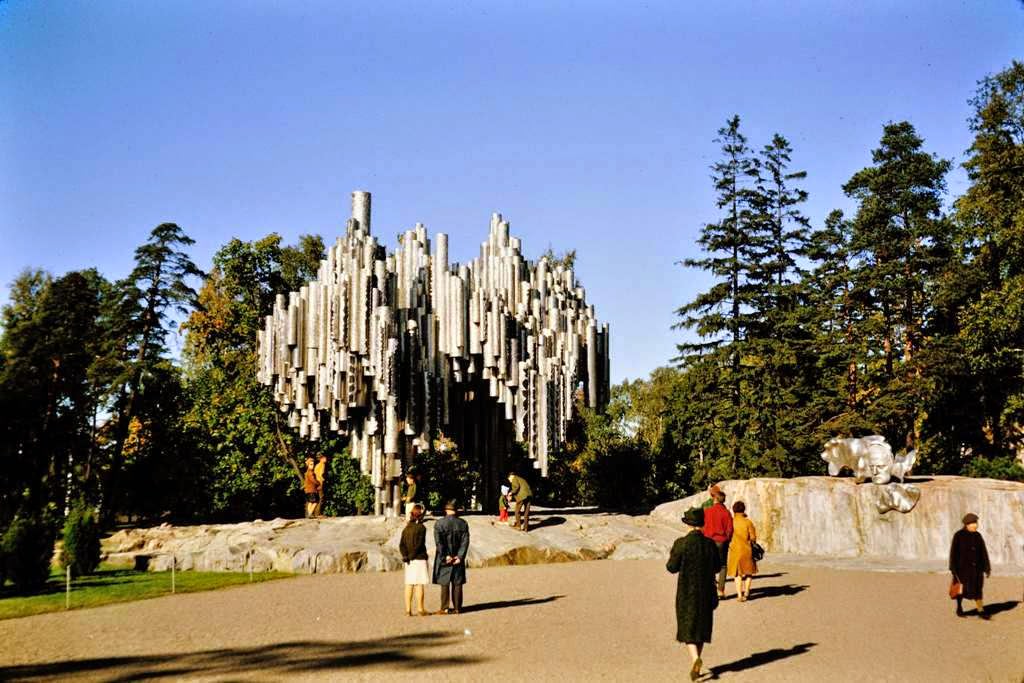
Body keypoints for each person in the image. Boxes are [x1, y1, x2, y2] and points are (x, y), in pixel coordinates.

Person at [667, 507, 721, 681]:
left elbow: (671, 567)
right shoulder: (709, 544)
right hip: (706, 590)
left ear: (688, 524)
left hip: (686, 591)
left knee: (687, 627)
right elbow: (717, 567)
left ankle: (695, 659)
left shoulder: (681, 543)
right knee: (702, 627)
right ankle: (696, 661)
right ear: (702, 524)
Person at [949, 512, 991, 619]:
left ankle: (980, 611)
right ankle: (959, 608)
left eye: (976, 523)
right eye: (973, 523)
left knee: (978, 589)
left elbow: (983, 552)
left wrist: (987, 567)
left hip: (977, 569)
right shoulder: (958, 535)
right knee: (961, 590)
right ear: (967, 524)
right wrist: (953, 568)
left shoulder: (978, 536)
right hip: (962, 570)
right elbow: (953, 552)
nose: (975, 525)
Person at [433, 500, 470, 614]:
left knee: (445, 582)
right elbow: (465, 542)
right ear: (456, 510)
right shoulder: (463, 523)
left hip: (444, 557)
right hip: (458, 557)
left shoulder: (439, 524)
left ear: (446, 510)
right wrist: (460, 556)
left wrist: (445, 555)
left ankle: (444, 608)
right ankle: (458, 608)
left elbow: (439, 543)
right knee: (457, 582)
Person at [702, 489, 733, 598]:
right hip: (722, 541)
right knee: (723, 566)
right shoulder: (727, 513)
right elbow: (730, 529)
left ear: (715, 499)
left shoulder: (708, 511)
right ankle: (720, 590)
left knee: (709, 565)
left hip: (709, 540)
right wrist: (727, 540)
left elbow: (703, 527)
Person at [399, 504, 429, 616]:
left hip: (408, 560)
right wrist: (411, 556)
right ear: (420, 515)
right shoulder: (422, 528)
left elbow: (401, 544)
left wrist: (405, 556)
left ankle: (408, 610)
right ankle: (420, 609)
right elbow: (419, 544)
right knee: (419, 584)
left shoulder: (406, 528)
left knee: (409, 584)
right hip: (419, 559)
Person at [727, 500, 757, 602]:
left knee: (737, 574)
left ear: (734, 510)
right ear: (743, 509)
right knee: (749, 573)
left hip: (735, 550)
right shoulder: (748, 522)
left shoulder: (731, 522)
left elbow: (728, 535)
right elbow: (753, 537)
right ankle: (747, 592)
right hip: (747, 550)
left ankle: (739, 595)